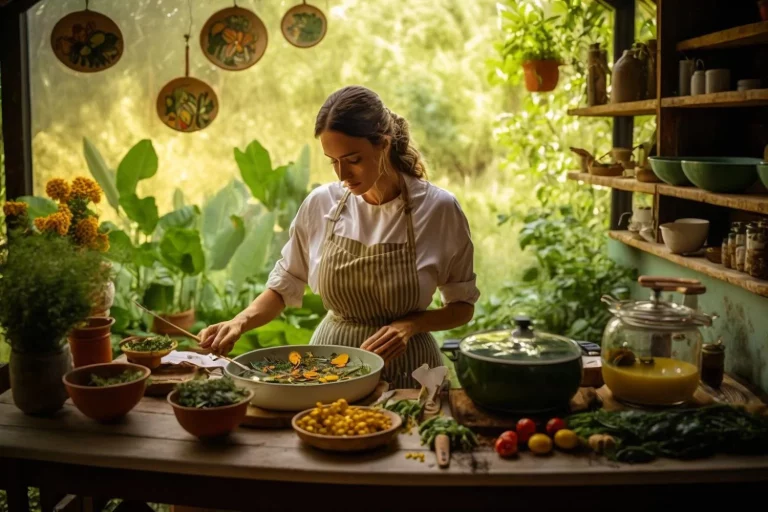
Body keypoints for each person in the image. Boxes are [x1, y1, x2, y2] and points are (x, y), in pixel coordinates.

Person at [199, 85, 479, 388]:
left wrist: (411, 325)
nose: (341, 174)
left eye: (353, 159)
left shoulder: (438, 210)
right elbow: (285, 285)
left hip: (409, 373)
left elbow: (461, 306)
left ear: (383, 144)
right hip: (329, 370)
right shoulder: (321, 204)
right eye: (333, 161)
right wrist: (239, 321)